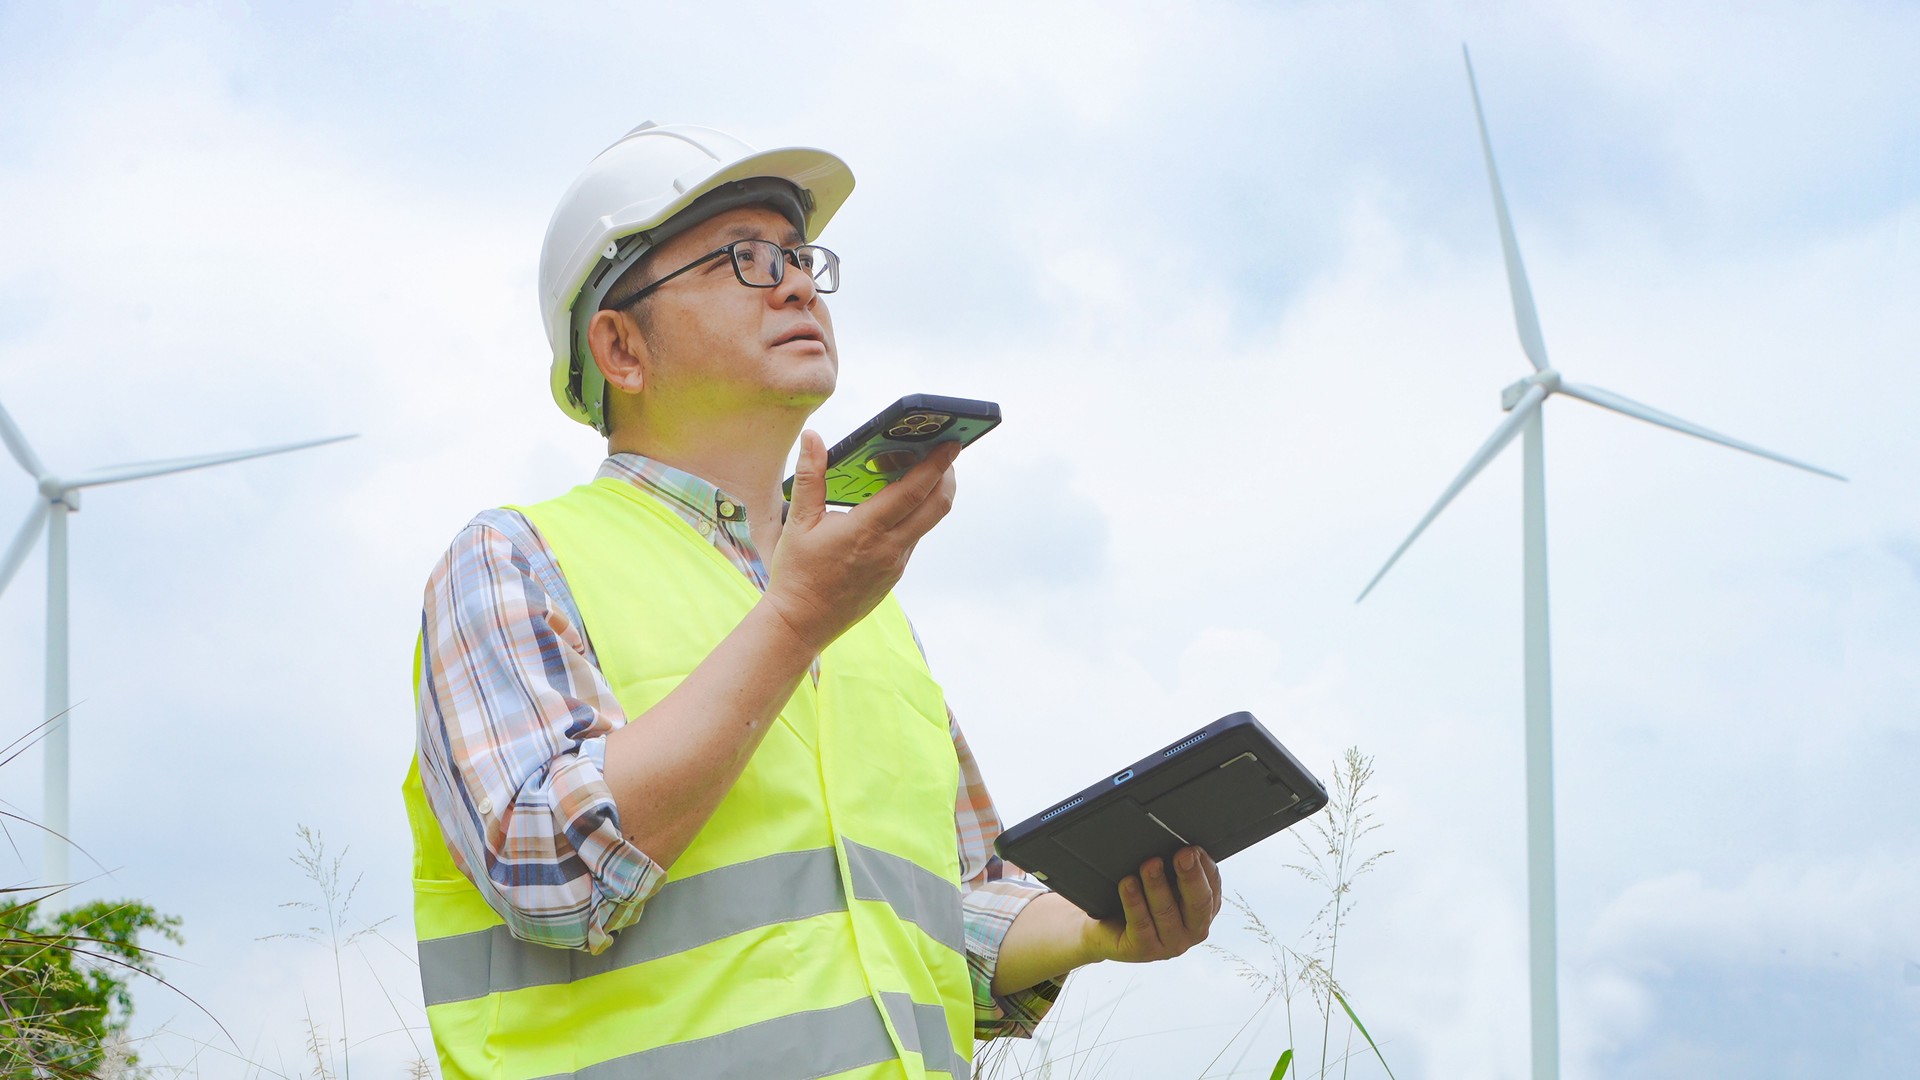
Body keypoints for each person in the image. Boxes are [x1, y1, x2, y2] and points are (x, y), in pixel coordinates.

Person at [403, 122, 1224, 1080]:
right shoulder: (514, 560)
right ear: (620, 346)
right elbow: (551, 873)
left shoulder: (860, 606)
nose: (795, 284)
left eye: (798, 257)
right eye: (742, 260)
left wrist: (1095, 926)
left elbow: (950, 908)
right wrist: (795, 621)